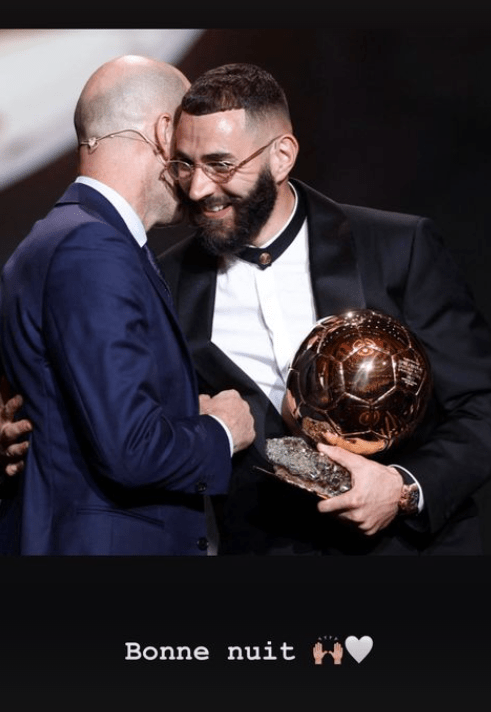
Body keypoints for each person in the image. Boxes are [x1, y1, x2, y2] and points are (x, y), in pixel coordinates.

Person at [160, 62, 491, 555]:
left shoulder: (398, 246)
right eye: (184, 164)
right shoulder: (163, 283)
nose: (197, 188)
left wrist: (402, 488)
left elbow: (481, 404)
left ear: (281, 156)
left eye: (220, 165)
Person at [0, 55, 254, 556]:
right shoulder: (92, 248)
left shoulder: (58, 238)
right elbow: (129, 450)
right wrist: (220, 431)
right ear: (165, 133)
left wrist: (179, 415)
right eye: (191, 144)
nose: (199, 174)